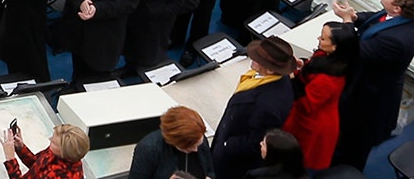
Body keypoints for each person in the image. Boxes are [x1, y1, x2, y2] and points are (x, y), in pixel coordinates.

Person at [329, 0, 414, 168]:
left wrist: (347, 21)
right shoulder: (401, 18)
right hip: (363, 86)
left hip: (370, 99)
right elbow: (375, 19)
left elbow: (354, 50)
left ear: (397, 7)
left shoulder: (395, 40)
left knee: (353, 143)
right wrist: (355, 17)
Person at [211, 36, 298, 179]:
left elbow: (255, 141)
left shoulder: (268, 106)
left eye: (258, 59)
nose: (252, 57)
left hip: (234, 161)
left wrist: (227, 145)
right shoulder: (270, 79)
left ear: (270, 70)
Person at [282, 21, 357, 171]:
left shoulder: (328, 80)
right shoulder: (329, 56)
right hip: (310, 114)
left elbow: (306, 104)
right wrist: (302, 66)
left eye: (323, 39)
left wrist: (292, 79)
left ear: (335, 47)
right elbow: (312, 68)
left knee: (293, 162)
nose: (318, 39)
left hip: (311, 124)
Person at [128, 106, 213, 179]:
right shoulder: (148, 149)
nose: (196, 149)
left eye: (198, 144)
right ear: (173, 141)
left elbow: (210, 170)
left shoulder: (197, 138)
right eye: (189, 146)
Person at [0, 121, 91, 179]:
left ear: (63, 152)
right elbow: (36, 164)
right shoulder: (58, 153)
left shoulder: (59, 175)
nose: (50, 139)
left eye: (54, 142)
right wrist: (21, 148)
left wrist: (10, 158)